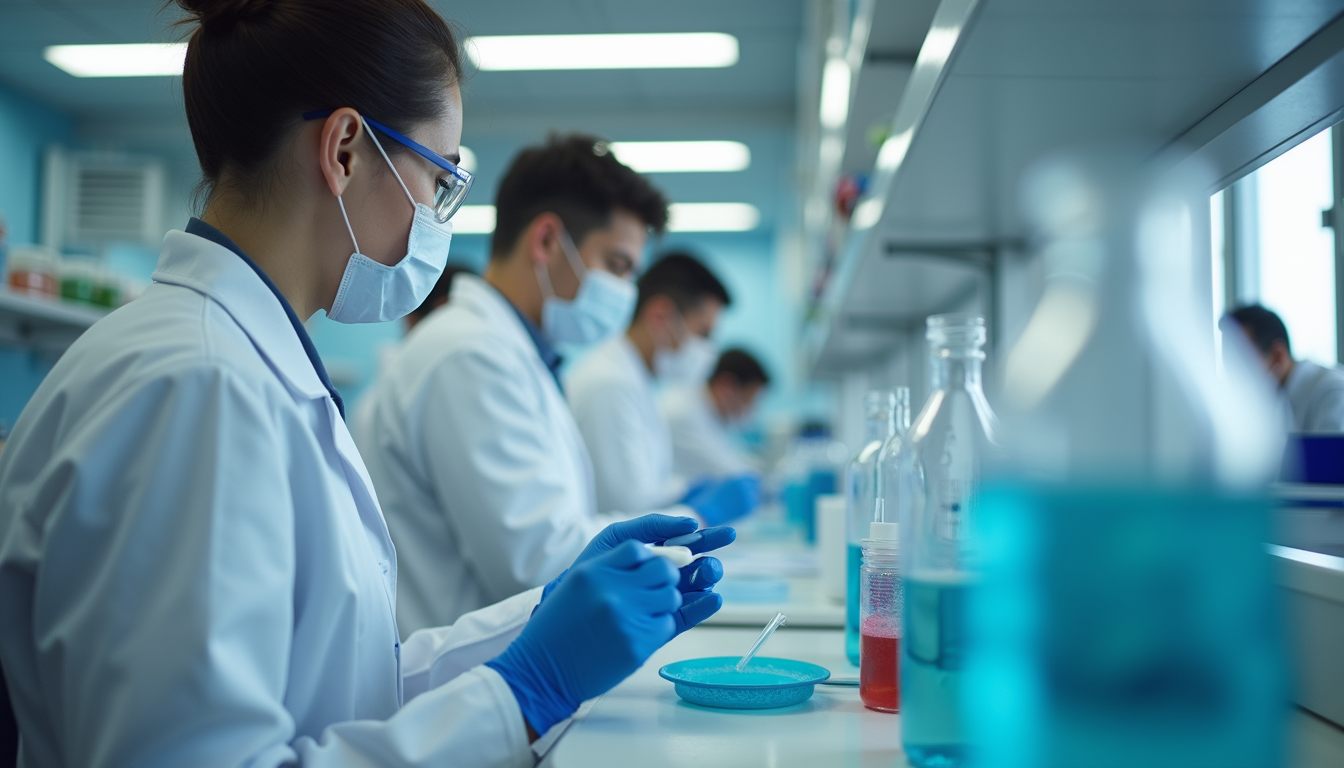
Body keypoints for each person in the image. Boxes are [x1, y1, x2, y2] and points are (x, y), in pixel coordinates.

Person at [0, 2, 731, 765]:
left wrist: (536, 624)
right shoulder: (197, 388)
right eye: (439, 180)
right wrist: (521, 692)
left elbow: (345, 686)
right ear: (345, 148)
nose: (438, 219)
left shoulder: (244, 366)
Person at [356, 133, 707, 634]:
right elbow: (535, 564)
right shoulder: (469, 354)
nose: (626, 292)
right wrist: (678, 529)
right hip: (456, 683)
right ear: (546, 242)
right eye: (617, 265)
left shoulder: (514, 353)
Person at [567, 253, 758, 522]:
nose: (708, 352)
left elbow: (646, 490)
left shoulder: (636, 380)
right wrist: (701, 511)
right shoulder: (609, 384)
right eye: (703, 333)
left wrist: (685, 492)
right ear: (661, 317)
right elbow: (627, 511)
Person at [1223, 304, 1344, 433]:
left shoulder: (1333, 392)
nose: (1233, 374)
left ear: (1278, 356)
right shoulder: (1275, 399)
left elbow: (1333, 452)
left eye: (1241, 362)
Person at [662, 347, 771, 481]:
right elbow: (730, 473)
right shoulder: (682, 412)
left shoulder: (711, 413)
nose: (751, 410)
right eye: (749, 399)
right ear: (727, 386)